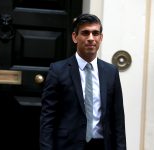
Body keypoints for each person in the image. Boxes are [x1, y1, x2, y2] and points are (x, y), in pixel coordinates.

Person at [40, 13, 126, 150]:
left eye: (95, 33)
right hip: (68, 145)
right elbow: (48, 118)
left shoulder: (111, 72)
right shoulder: (57, 70)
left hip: (102, 145)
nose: (91, 38)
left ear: (101, 38)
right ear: (75, 37)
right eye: (85, 33)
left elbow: (118, 120)